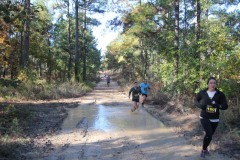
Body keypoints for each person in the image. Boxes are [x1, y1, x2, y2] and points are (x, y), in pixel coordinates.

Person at [194, 77, 228, 158]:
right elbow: (195, 100)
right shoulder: (202, 92)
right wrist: (201, 106)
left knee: (210, 135)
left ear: (216, 84)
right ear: (208, 84)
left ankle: (205, 149)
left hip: (215, 118)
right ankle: (203, 150)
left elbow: (225, 106)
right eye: (211, 83)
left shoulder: (220, 94)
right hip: (204, 116)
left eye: (214, 83)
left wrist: (218, 105)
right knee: (209, 133)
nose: (212, 84)